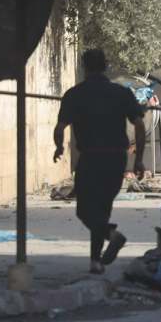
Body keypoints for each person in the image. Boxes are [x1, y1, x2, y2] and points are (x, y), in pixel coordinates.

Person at [53, 48, 147, 274]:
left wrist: (58, 147)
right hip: (115, 159)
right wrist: (139, 160)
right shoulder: (121, 93)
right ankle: (95, 261)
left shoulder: (74, 94)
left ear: (84, 67)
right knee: (102, 209)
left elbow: (60, 128)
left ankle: (110, 240)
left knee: (85, 211)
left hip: (91, 158)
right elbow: (140, 125)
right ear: (105, 66)